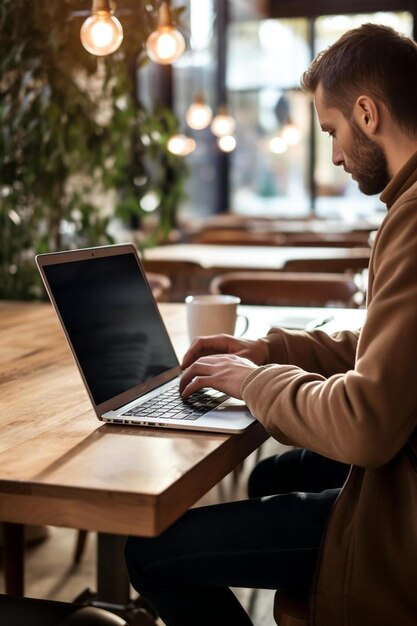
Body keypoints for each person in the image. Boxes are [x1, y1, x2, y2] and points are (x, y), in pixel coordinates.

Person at [125, 24, 417, 626]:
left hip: (399, 525)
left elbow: (366, 425)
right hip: (400, 490)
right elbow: (391, 353)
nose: (334, 154)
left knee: (149, 552)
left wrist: (252, 381)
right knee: (273, 475)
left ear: (367, 113)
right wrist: (267, 348)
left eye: (332, 131)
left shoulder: (413, 220)